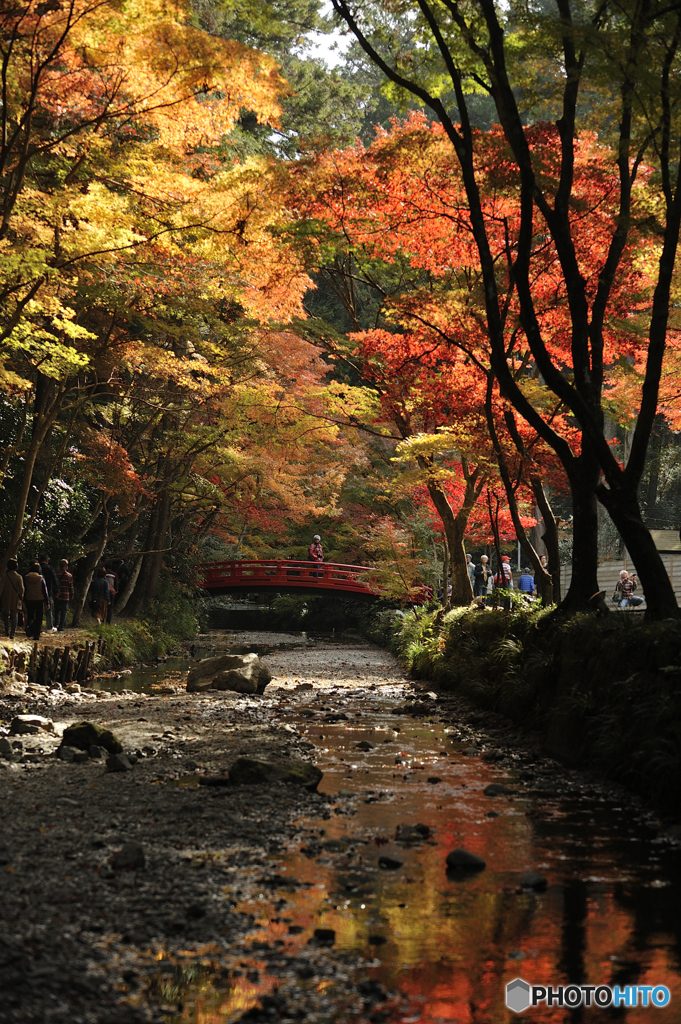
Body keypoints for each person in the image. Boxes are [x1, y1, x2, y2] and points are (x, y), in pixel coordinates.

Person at [24, 562, 50, 641]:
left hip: (29, 599)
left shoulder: (26, 577)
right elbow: (45, 591)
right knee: (39, 617)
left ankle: (29, 629)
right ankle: (36, 635)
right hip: (39, 599)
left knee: (30, 615)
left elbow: (24, 589)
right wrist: (47, 602)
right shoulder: (41, 578)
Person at [1, 559, 24, 639]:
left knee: (6, 614)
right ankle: (12, 633)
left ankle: (7, 630)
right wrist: (21, 597)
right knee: (15, 615)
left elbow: (1, 588)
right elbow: (21, 589)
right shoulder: (19, 577)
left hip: (6, 597)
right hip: (15, 598)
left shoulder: (5, 576)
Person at [39, 554, 60, 632]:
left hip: (38, 591)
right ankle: (49, 627)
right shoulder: (49, 568)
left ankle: (38, 627)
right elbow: (55, 579)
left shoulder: (37, 568)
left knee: (39, 609)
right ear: (47, 560)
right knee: (49, 609)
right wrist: (57, 590)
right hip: (48, 591)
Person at [54, 558, 74, 632]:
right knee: (63, 611)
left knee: (57, 610)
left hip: (57, 595)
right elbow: (71, 587)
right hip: (65, 596)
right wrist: (72, 595)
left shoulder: (55, 574)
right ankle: (61, 627)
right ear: (66, 566)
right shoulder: (69, 576)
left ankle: (56, 624)